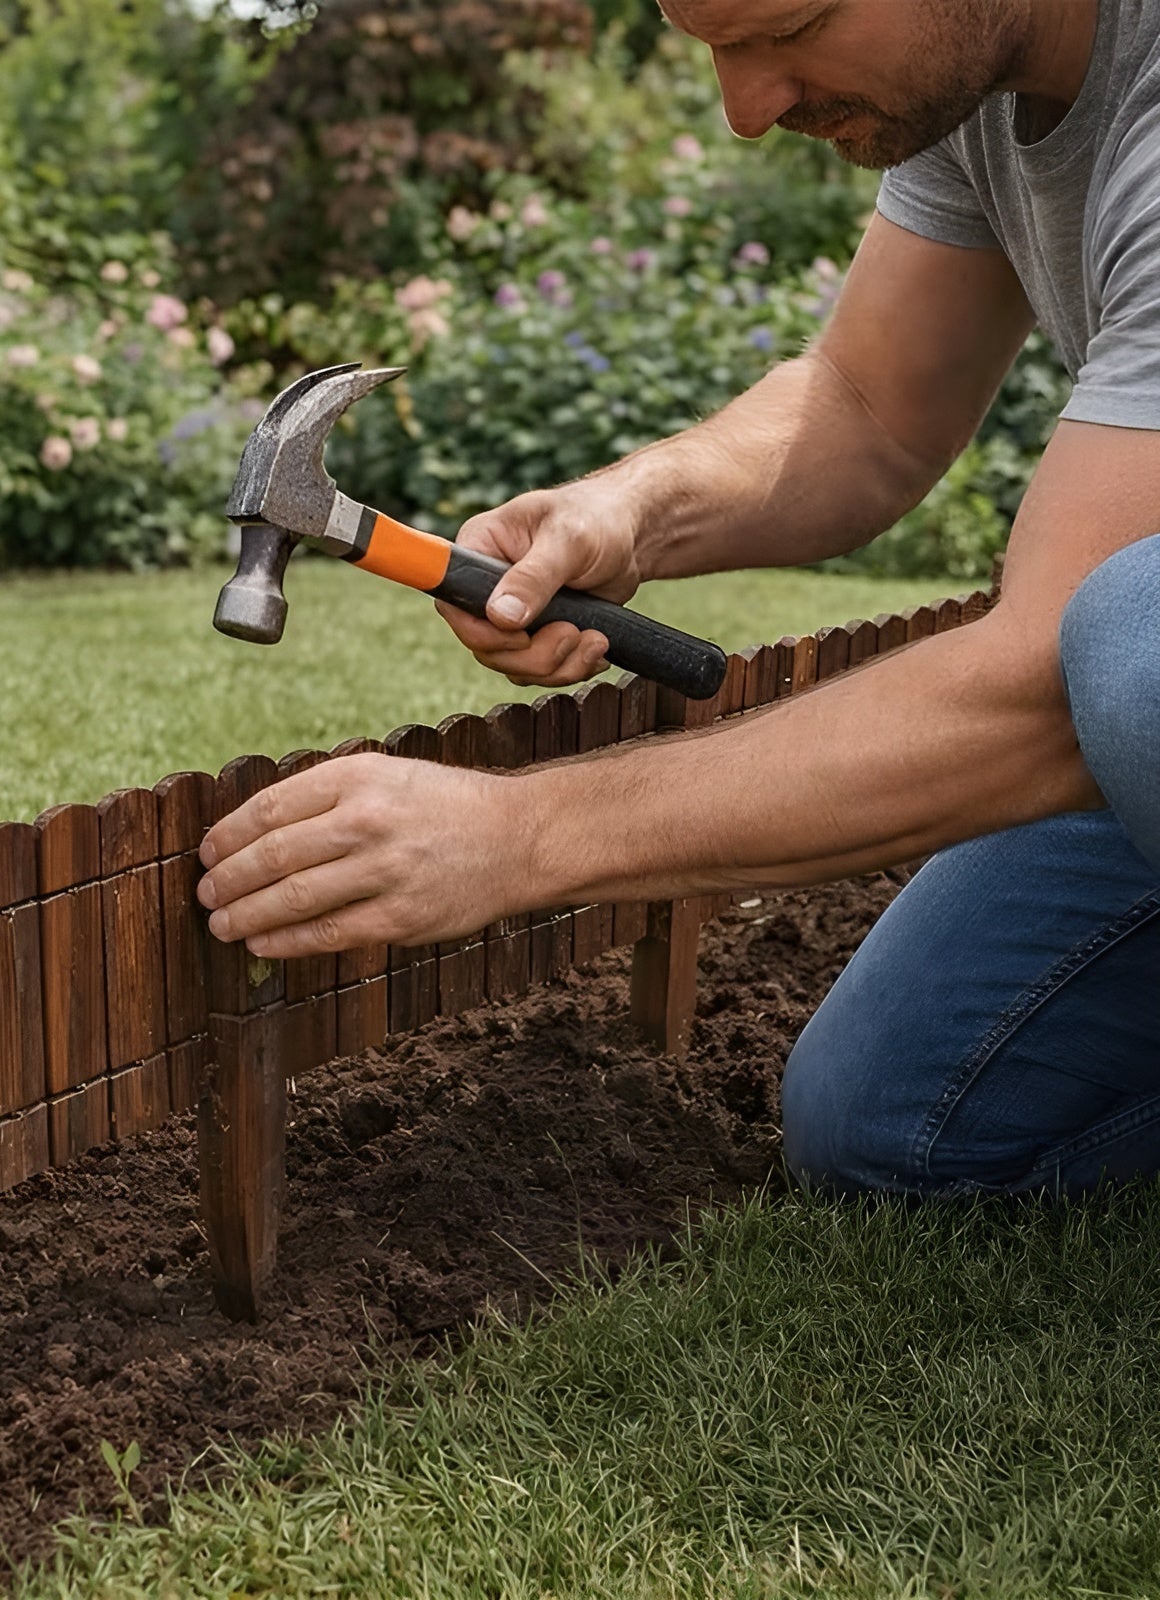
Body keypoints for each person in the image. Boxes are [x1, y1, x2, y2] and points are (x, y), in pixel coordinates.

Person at [197, 0, 1160, 1197]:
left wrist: (523, 835)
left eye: (786, 26)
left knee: (1131, 639)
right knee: (893, 1123)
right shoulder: (976, 90)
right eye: (711, 46)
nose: (744, 110)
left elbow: (1046, 694)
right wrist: (632, 506)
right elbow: (871, 403)